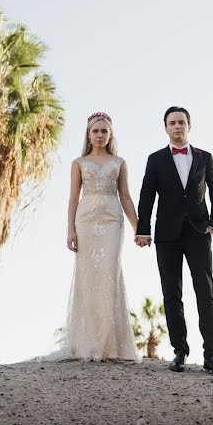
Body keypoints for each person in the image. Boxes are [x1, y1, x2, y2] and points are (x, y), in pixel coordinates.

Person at [135, 106, 213, 377]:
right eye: (172, 123)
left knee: (204, 292)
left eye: (181, 122)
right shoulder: (156, 159)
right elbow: (146, 196)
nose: (177, 126)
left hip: (198, 233)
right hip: (166, 236)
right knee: (172, 293)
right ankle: (180, 351)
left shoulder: (204, 157)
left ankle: (211, 355)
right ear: (166, 127)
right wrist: (144, 229)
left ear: (189, 126)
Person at [57, 111, 139, 361]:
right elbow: (73, 198)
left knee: (109, 274)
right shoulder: (78, 163)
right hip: (85, 222)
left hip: (113, 220)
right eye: (96, 131)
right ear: (89, 134)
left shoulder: (120, 162)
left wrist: (139, 228)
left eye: (104, 131)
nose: (100, 135)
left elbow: (125, 196)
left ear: (110, 134)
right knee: (88, 276)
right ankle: (88, 343)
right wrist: (70, 229)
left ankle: (111, 346)